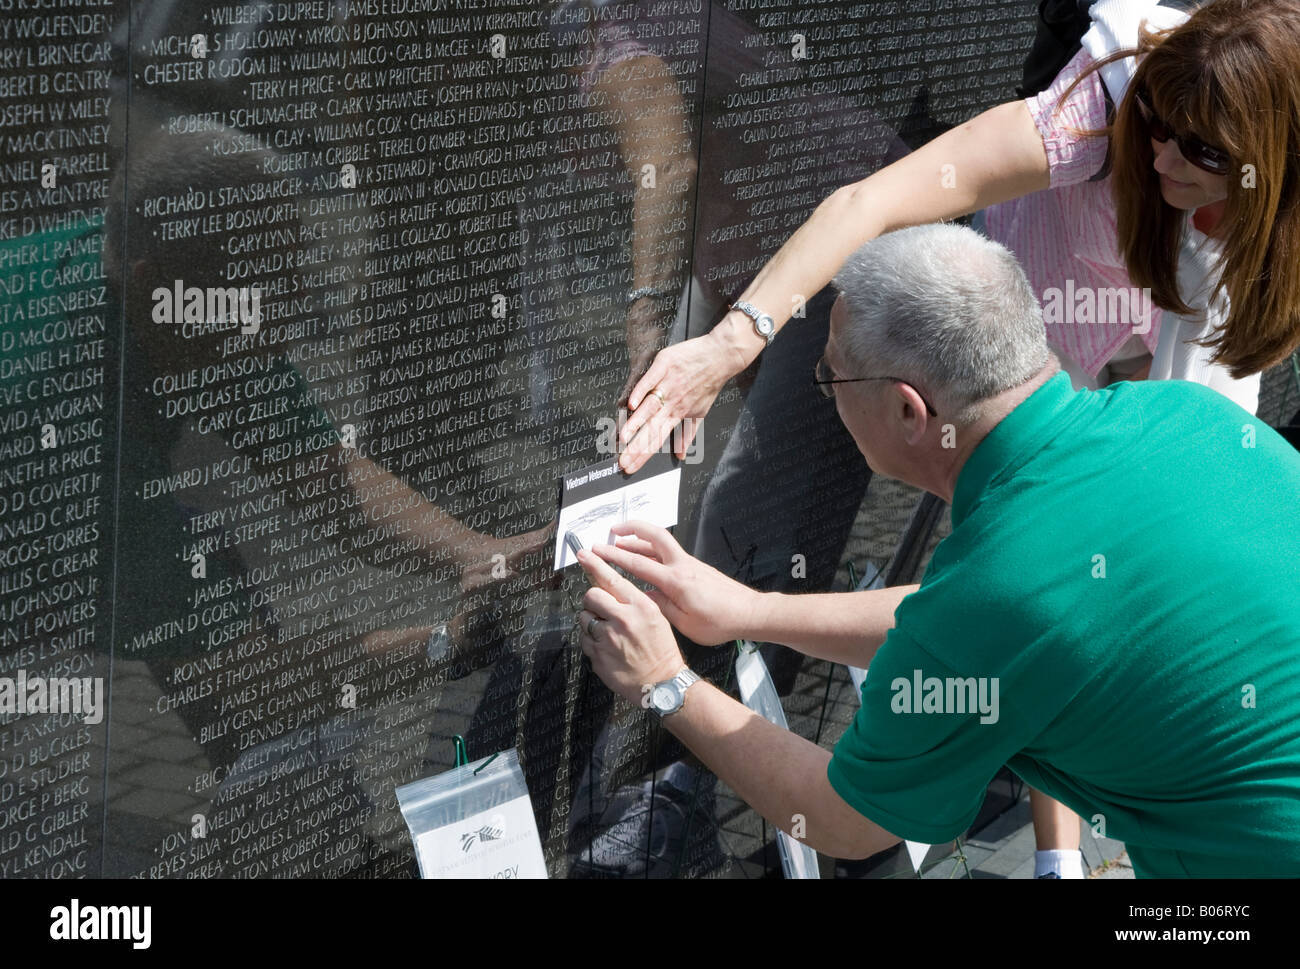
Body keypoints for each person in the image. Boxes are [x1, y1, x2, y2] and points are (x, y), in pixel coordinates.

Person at [614, 0, 1300, 878]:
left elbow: (850, 820)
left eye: (831, 377)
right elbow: (995, 617)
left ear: (910, 409)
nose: (1161, 155)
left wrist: (668, 683)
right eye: (1158, 128)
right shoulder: (1188, 432)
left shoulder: (1011, 580)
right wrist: (741, 607)